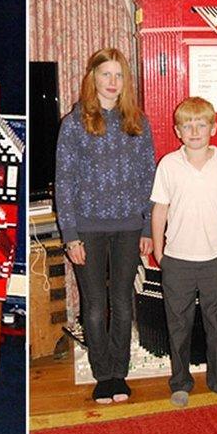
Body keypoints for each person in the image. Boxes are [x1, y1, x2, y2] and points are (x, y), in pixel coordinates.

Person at [54, 47, 155, 404]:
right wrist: (70, 235)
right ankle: (103, 374)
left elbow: (149, 179)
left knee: (123, 302)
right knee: (95, 305)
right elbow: (64, 181)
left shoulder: (138, 122)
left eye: (118, 75)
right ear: (92, 78)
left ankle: (120, 373)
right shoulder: (75, 123)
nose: (112, 82)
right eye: (105, 74)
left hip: (130, 227)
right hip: (88, 230)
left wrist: (147, 229)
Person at [151, 97, 217, 408]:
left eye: (200, 124)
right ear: (178, 131)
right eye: (187, 125)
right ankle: (180, 383)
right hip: (177, 261)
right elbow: (159, 210)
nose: (194, 130)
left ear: (213, 128)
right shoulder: (169, 165)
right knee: (179, 325)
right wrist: (160, 254)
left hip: (215, 259)